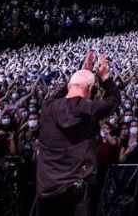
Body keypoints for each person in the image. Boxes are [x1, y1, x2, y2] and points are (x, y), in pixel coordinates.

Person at [36, 51, 121, 215]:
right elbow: (114, 99)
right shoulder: (90, 109)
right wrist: (105, 76)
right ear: (90, 89)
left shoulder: (47, 107)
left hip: (47, 187)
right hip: (76, 188)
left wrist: (82, 72)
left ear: (68, 86)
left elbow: (61, 93)